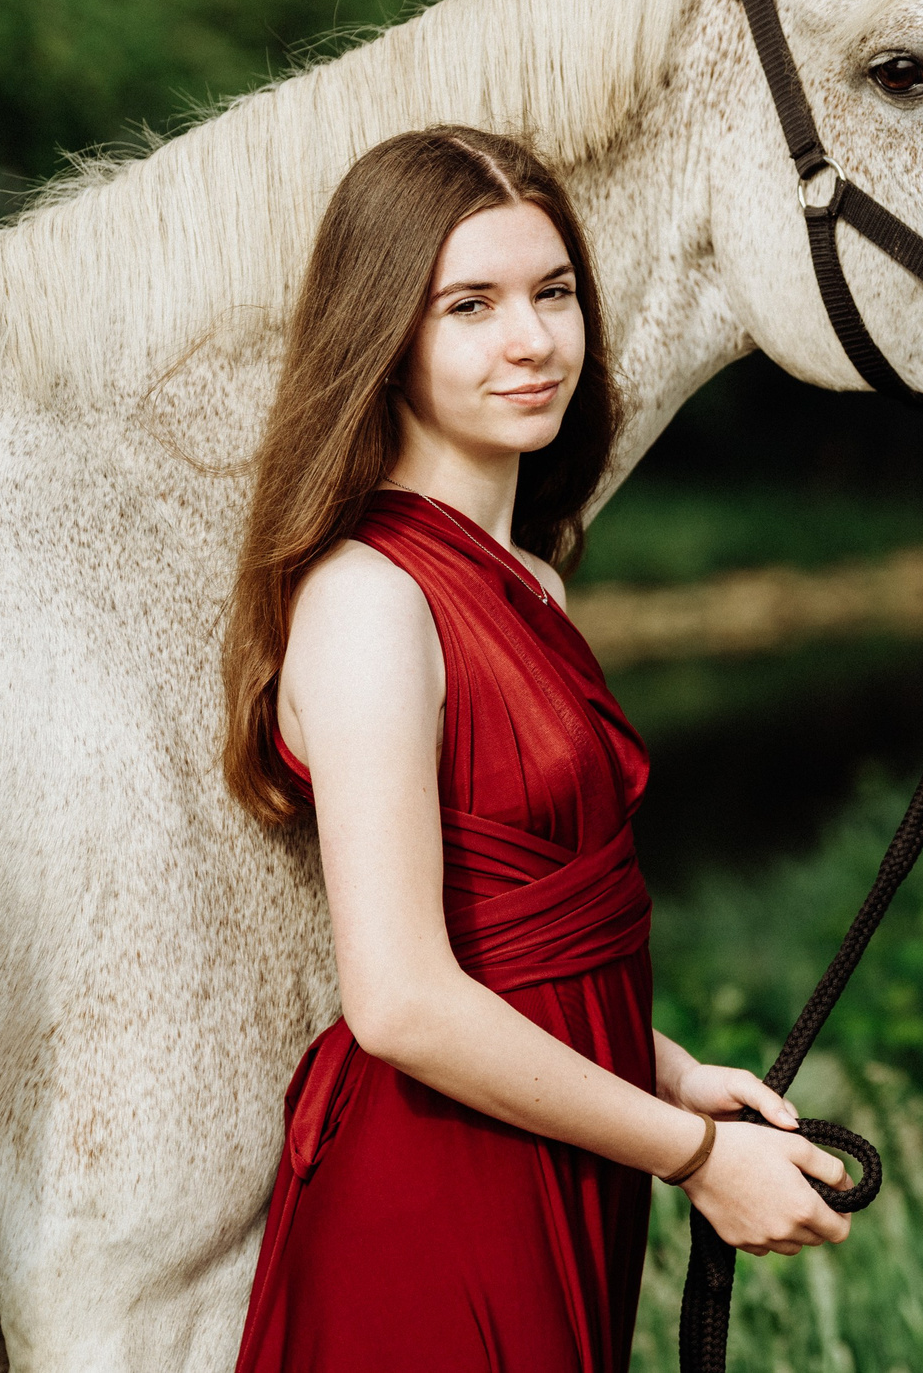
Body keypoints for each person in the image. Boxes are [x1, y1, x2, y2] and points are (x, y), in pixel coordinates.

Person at [221, 126, 848, 1371]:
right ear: (383, 335)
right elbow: (401, 998)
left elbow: (522, 941)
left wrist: (666, 1074)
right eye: (471, 305)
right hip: (438, 1178)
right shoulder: (369, 599)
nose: (533, 340)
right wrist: (701, 1159)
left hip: (557, 1146)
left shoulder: (529, 580)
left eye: (553, 293)